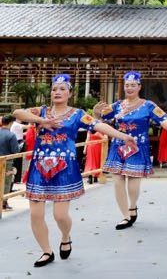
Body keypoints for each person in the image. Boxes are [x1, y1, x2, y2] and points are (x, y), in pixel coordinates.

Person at [11, 74, 141, 268]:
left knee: (60, 215)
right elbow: (18, 112)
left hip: (64, 169)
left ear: (70, 93)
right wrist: (42, 121)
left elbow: (100, 125)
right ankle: (46, 251)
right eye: (54, 89)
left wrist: (123, 136)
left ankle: (65, 236)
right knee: (35, 214)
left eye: (62, 89)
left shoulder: (78, 114)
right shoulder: (42, 111)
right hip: (39, 168)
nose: (57, 92)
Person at [92, 71, 167, 230]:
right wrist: (96, 112)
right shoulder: (116, 106)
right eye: (127, 85)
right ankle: (125, 216)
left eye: (133, 85)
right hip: (118, 146)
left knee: (133, 183)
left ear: (139, 87)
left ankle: (133, 206)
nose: (129, 88)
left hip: (137, 146)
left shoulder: (148, 105)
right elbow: (102, 121)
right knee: (117, 181)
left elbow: (165, 121)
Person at [1, 114, 20, 211]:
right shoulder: (11, 135)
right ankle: (3, 203)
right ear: (11, 123)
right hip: (7, 161)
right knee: (6, 183)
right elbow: (16, 151)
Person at [10, 117, 25, 183]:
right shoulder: (17, 124)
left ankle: (17, 179)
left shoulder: (16, 125)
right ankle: (16, 179)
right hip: (18, 142)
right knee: (18, 161)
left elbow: (21, 133)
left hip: (18, 141)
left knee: (18, 160)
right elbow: (29, 126)